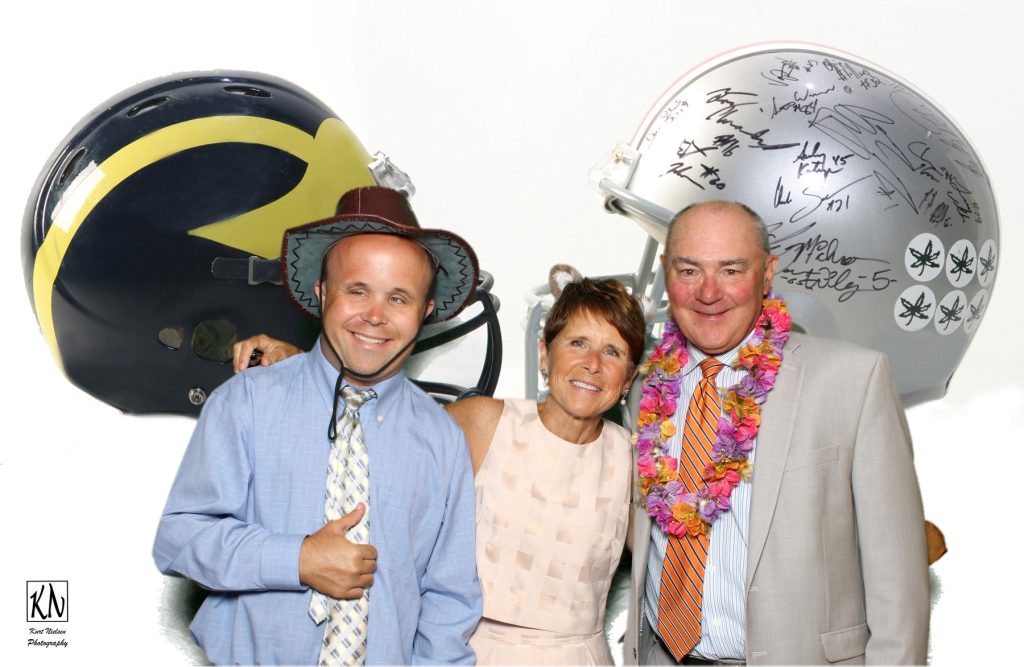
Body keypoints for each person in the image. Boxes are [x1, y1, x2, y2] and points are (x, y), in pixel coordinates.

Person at [235, 276, 648, 664]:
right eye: (577, 342)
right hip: (467, 651)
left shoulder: (634, 458)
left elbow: (671, 555)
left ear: (628, 376)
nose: (592, 363)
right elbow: (374, 435)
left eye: (612, 352)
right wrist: (302, 372)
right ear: (545, 352)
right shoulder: (486, 422)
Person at [153, 186, 482, 665]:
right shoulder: (246, 400)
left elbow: (449, 602)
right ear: (322, 292)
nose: (375, 315)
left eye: (398, 297)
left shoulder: (443, 440)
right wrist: (297, 559)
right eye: (357, 290)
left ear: (425, 313)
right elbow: (179, 539)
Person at [624, 200, 929, 665]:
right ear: (666, 272)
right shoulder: (644, 388)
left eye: (731, 270)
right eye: (689, 270)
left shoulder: (853, 379)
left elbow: (898, 581)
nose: (708, 292)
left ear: (767, 274)